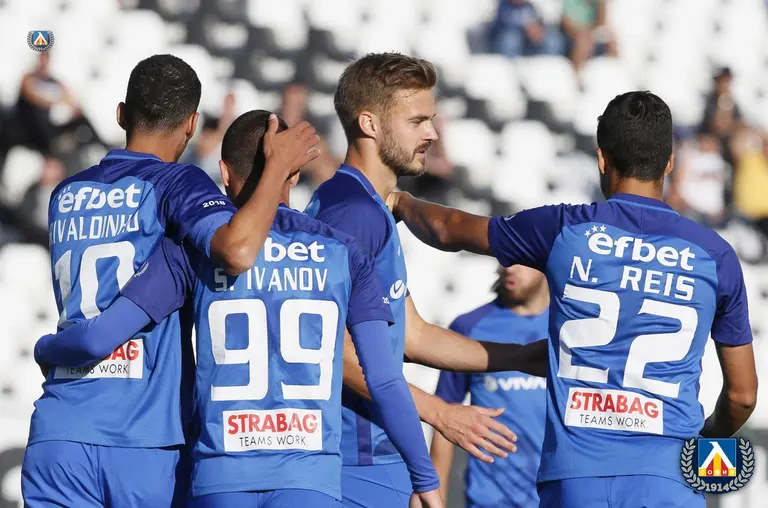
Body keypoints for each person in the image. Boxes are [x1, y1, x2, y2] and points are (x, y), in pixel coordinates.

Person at [34, 110, 443, 508]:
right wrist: (424, 477)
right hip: (308, 480)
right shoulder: (344, 252)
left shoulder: (192, 251)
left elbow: (105, 333)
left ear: (224, 174)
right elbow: (384, 380)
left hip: (221, 478)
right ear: (294, 175)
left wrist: (48, 349)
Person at [390, 91, 758, 507]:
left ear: (602, 159)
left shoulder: (565, 228)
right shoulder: (715, 255)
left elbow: (449, 228)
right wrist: (704, 439)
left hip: (576, 480)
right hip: (669, 479)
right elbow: (742, 396)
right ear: (669, 162)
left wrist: (401, 200)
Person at [22, 54, 319, 507]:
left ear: (121, 114)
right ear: (192, 124)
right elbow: (238, 250)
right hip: (144, 440)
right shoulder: (178, 184)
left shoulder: (66, 193)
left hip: (59, 431)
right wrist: (277, 169)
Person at [304, 52, 546, 508]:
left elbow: (412, 334)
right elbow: (332, 349)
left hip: (375, 452)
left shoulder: (367, 205)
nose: (432, 133)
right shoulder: (355, 215)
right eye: (417, 121)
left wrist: (520, 357)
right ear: (369, 123)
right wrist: (442, 414)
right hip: (355, 457)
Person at [431, 265, 549, 508]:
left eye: (521, 259)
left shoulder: (570, 328)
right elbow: (444, 418)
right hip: (491, 500)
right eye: (504, 257)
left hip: (557, 496)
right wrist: (435, 498)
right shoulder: (469, 327)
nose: (509, 267)